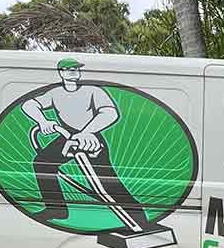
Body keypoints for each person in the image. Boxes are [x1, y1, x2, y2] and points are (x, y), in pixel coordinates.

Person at [21, 58, 153, 228]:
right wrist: (43, 121)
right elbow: (28, 104)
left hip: (91, 139)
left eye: (76, 69)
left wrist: (87, 132)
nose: (74, 72)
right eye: (69, 69)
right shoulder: (55, 93)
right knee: (42, 163)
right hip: (67, 136)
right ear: (61, 73)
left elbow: (110, 112)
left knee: (106, 183)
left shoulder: (92, 91)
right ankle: (56, 209)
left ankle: (140, 220)